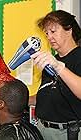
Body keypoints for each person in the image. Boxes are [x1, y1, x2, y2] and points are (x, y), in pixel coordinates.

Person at [30, 10, 81, 140]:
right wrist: (23, 99)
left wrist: (59, 67)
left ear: (69, 30)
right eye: (46, 33)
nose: (49, 37)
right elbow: (48, 91)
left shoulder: (78, 57)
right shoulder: (52, 60)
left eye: (53, 31)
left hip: (67, 133)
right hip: (42, 128)